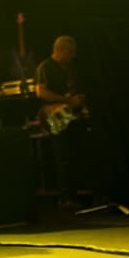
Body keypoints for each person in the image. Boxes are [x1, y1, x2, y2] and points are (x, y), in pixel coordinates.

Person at [35, 35, 90, 208]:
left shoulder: (72, 68)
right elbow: (41, 92)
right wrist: (67, 101)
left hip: (73, 117)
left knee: (75, 155)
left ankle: (75, 194)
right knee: (62, 156)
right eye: (70, 52)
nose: (73, 56)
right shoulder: (46, 67)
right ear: (61, 50)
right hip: (57, 118)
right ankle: (66, 197)